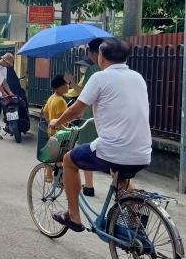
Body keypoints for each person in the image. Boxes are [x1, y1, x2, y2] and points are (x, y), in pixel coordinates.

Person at [49, 38, 151, 232]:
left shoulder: (100, 77)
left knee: (69, 160)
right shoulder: (137, 77)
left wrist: (57, 121)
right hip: (143, 152)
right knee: (121, 177)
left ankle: (73, 216)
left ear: (101, 56)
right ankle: (136, 225)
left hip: (113, 149)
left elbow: (76, 109)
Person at [64, 37, 104, 197]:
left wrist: (71, 81)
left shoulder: (93, 70)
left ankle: (88, 186)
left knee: (82, 151)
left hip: (91, 116)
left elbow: (83, 94)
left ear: (94, 53)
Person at [42, 74, 69, 181]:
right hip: (61, 132)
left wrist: (50, 123)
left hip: (51, 131)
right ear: (61, 86)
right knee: (62, 156)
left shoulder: (51, 98)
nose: (68, 86)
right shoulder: (61, 101)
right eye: (66, 84)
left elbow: (44, 111)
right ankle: (60, 178)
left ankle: (48, 176)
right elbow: (61, 117)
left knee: (52, 154)